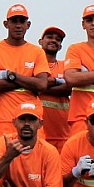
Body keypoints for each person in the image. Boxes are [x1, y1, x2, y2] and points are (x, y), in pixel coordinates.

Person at [0, 4, 50, 169]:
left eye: (22, 21)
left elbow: (41, 84)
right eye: (14, 21)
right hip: (0, 121)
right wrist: (28, 80)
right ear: (6, 24)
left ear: (28, 24)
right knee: (1, 168)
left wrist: (12, 76)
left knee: (34, 168)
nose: (18, 25)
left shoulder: (37, 52)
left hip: (31, 120)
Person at [37, 26, 73, 154]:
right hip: (39, 133)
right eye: (49, 37)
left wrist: (42, 85)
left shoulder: (65, 66)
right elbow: (30, 85)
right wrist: (57, 81)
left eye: (58, 39)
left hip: (63, 133)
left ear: (60, 46)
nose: (54, 40)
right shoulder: (34, 63)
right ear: (40, 42)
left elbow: (69, 88)